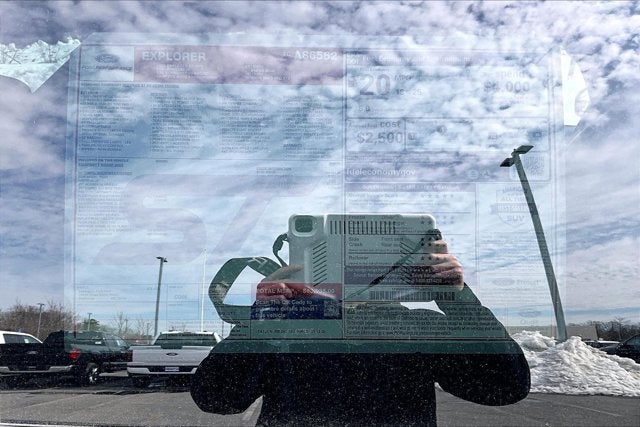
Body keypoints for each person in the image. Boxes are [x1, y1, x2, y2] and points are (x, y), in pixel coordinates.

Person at [191, 239, 530, 426]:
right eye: (334, 264)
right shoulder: (287, 328)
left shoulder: (413, 327)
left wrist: (457, 298)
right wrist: (263, 319)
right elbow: (216, 398)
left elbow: (504, 386)